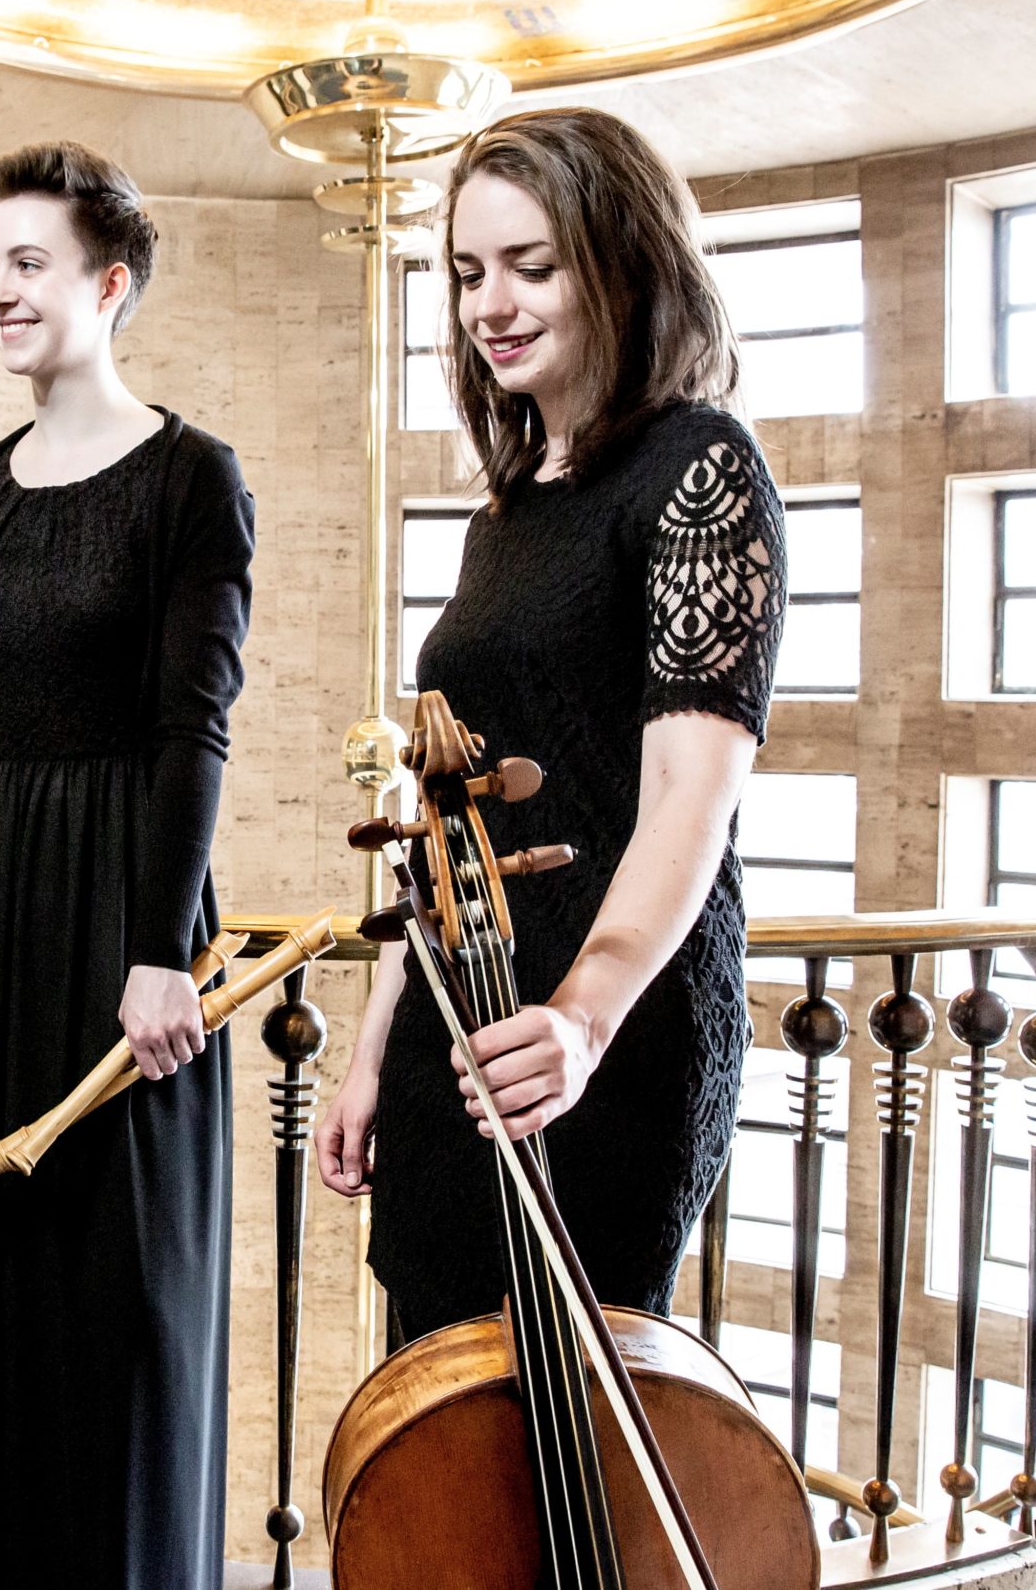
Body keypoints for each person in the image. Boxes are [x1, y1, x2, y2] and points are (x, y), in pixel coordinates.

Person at [316, 109, 786, 1344]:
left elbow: (690, 793)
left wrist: (583, 1014)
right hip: (459, 1022)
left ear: (620, 263)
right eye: (469, 271)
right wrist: (374, 1039)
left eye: (531, 265)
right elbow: (443, 823)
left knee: (573, 1402)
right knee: (434, 1381)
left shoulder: (701, 468)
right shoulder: (508, 507)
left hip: (606, 1036)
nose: (491, 305)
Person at [0, 142, 255, 1590]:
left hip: (115, 927)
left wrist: (159, 949)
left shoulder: (193, 476)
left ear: (109, 283)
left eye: (28, 263)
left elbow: (191, 729)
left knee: (118, 1308)